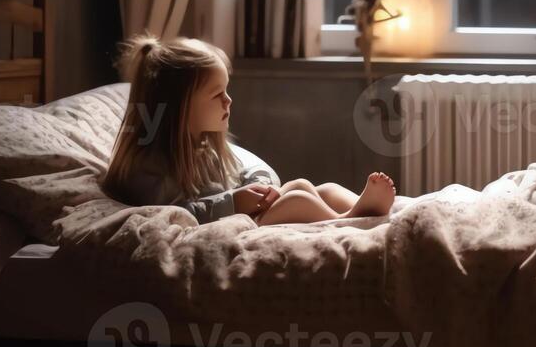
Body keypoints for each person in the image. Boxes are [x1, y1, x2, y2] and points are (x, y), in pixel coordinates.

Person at [101, 34, 395, 225]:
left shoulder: (204, 148)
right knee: (297, 200)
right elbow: (171, 217)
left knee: (310, 186)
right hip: (234, 226)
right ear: (180, 107)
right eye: (217, 95)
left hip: (247, 214)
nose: (228, 101)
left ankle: (372, 216)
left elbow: (244, 171)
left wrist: (259, 186)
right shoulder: (149, 168)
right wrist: (233, 202)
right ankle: (351, 220)